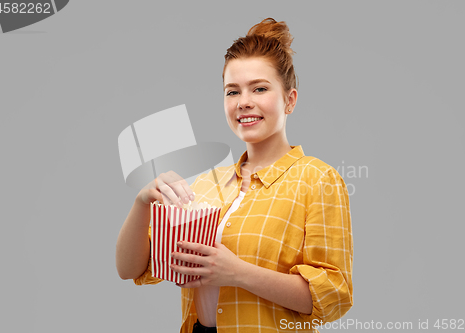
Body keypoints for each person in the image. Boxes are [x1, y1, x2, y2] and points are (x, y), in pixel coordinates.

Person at [116, 18, 353, 333]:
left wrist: (237, 272)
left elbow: (334, 295)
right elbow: (130, 268)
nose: (244, 102)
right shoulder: (207, 184)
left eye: (259, 88)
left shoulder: (316, 179)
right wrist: (142, 202)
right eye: (232, 91)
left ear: (290, 100)